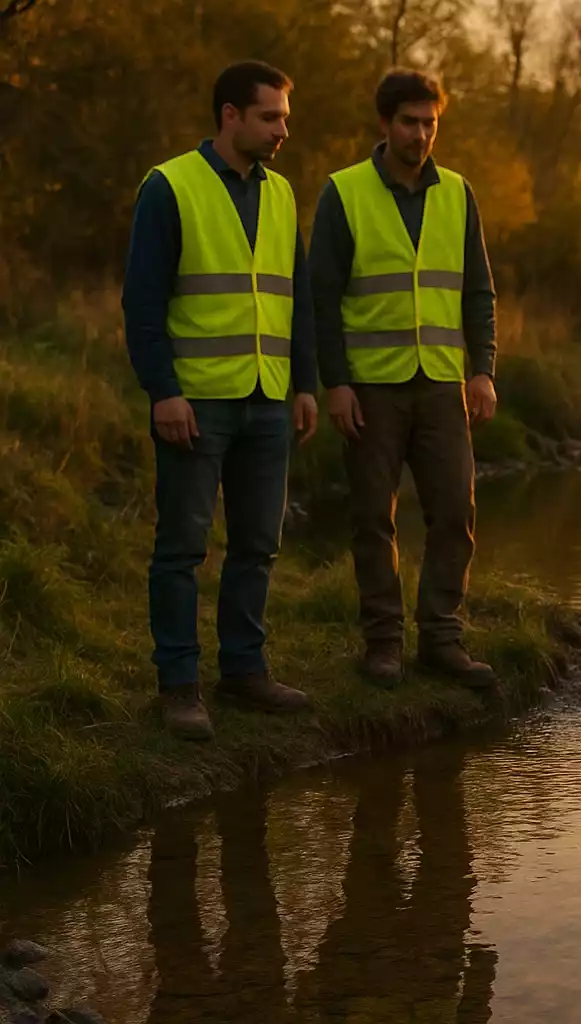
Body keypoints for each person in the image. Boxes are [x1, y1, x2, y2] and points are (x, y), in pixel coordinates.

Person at [122, 60, 318, 741]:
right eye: (270, 117)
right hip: (196, 403)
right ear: (230, 115)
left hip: (268, 398)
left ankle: (244, 671)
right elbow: (142, 303)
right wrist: (164, 392)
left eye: (285, 117)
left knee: (258, 545)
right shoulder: (170, 186)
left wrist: (305, 384)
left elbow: (297, 297)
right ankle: (179, 687)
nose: (282, 130)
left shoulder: (282, 193)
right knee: (181, 548)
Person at [308, 68, 499, 690]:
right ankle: (384, 644)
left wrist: (482, 370)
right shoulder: (344, 192)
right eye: (410, 123)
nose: (421, 135)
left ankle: (441, 639)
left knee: (455, 513)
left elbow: (478, 291)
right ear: (385, 124)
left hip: (442, 384)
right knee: (373, 519)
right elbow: (322, 298)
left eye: (430, 123)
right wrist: (335, 383)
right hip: (371, 387)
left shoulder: (458, 193)